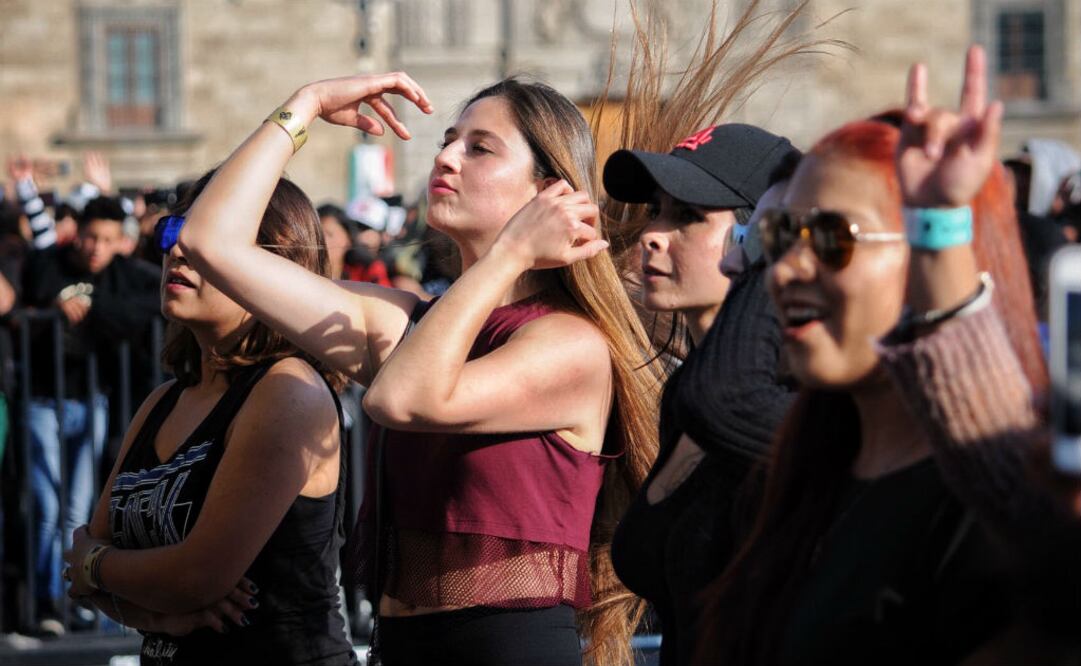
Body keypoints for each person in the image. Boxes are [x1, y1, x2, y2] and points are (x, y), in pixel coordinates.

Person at [173, 72, 663, 665]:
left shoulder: (569, 343)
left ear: (548, 192)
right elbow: (211, 241)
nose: (447, 157)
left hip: (508, 651)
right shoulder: (411, 323)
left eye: (479, 148)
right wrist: (304, 107)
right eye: (448, 141)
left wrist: (510, 253)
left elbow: (404, 398)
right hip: (398, 647)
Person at [694, 46, 1049, 665]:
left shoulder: (992, 506)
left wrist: (939, 228)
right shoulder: (792, 480)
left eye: (831, 236)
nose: (785, 271)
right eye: (781, 236)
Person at [63, 170, 358, 665]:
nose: (178, 250)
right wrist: (161, 616)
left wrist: (98, 564)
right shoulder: (164, 401)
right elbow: (83, 576)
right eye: (174, 230)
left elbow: (197, 576)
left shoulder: (287, 390)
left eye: (208, 235)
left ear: (273, 264)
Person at [603, 124, 800, 665]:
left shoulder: (794, 402)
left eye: (688, 216)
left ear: (759, 236)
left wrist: (773, 260)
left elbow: (726, 399)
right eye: (656, 210)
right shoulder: (685, 393)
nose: (653, 234)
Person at [20, 194, 160, 634]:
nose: (96, 248)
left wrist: (96, 313)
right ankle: (48, 602)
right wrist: (51, 315)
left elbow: (146, 306)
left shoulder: (124, 275)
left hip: (93, 400)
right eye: (90, 237)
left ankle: (71, 600)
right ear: (76, 234)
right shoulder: (46, 264)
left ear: (119, 241)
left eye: (106, 240)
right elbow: (20, 310)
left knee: (77, 506)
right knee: (47, 504)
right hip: (43, 400)